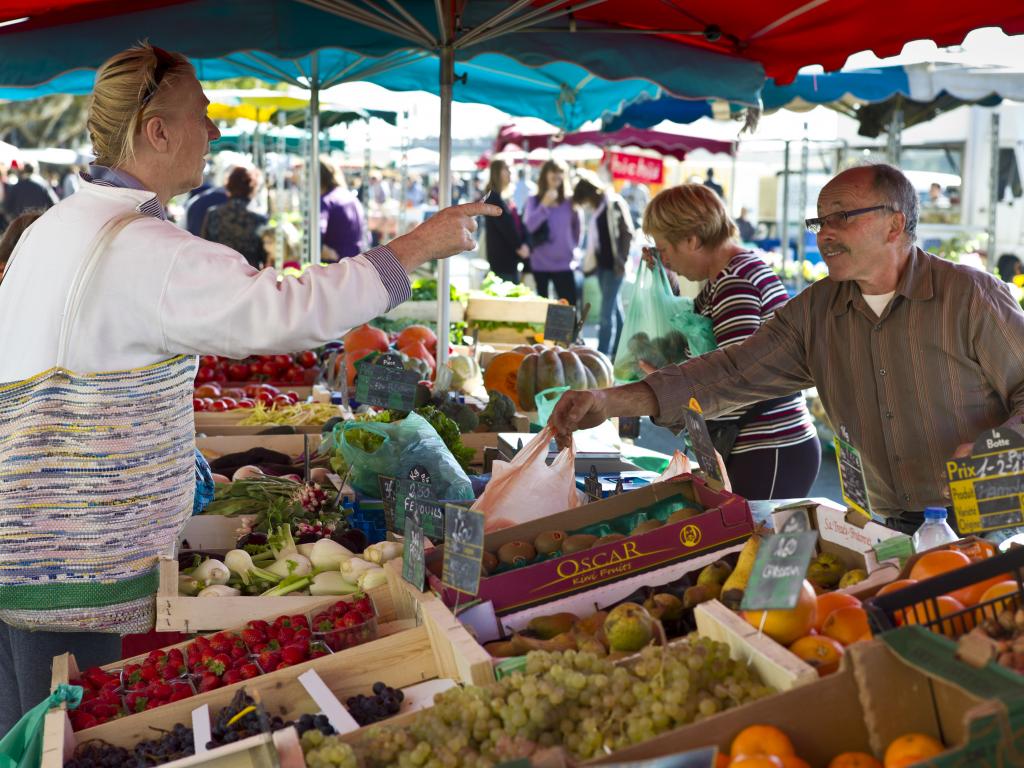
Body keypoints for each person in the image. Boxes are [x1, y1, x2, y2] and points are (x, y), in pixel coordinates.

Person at [0, 42, 499, 733]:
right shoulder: (143, 250)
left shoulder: (52, 229)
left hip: (26, 550)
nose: (214, 133)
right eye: (202, 117)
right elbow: (288, 311)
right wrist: (415, 246)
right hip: (86, 569)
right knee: (74, 736)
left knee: (28, 737)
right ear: (158, 131)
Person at [551, 164, 1024, 530]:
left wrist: (995, 446)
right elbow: (730, 371)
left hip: (978, 516)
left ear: (894, 225)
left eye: (841, 218)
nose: (824, 234)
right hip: (882, 517)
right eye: (820, 221)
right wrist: (610, 400)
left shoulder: (970, 299)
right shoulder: (816, 311)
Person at [638, 184, 820, 499]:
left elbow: (736, 382)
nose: (664, 260)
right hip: (756, 448)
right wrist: (665, 287)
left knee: (753, 544)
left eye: (665, 248)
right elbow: (708, 343)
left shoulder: (736, 284)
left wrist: (662, 395)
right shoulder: (727, 277)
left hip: (767, 448)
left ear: (691, 240)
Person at [572, 171, 634, 357]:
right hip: (602, 267)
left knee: (606, 314)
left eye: (585, 200)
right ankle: (621, 349)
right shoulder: (598, 208)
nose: (586, 206)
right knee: (613, 308)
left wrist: (622, 259)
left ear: (591, 193)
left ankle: (602, 355)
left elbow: (627, 232)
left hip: (615, 267)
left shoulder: (613, 204)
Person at [523, 159, 582, 305]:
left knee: (569, 310)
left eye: (561, 172)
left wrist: (571, 248)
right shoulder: (534, 200)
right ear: (545, 175)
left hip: (564, 264)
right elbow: (529, 227)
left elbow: (578, 230)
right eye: (553, 171)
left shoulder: (571, 201)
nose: (557, 175)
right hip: (540, 264)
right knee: (541, 312)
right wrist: (544, 204)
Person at [201, 166, 268, 270]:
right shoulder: (259, 219)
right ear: (253, 188)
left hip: (219, 273)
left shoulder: (213, 213)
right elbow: (264, 257)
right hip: (249, 277)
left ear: (229, 187)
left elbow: (204, 249)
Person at [482, 159, 529, 284]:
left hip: (507, 259)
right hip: (503, 260)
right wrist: (519, 247)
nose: (510, 173)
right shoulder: (493, 198)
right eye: (506, 169)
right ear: (497, 173)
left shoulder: (499, 197)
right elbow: (507, 227)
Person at [320, 158, 366, 261]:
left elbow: (317, 240)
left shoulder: (326, 201)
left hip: (336, 268)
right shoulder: (350, 197)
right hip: (356, 263)